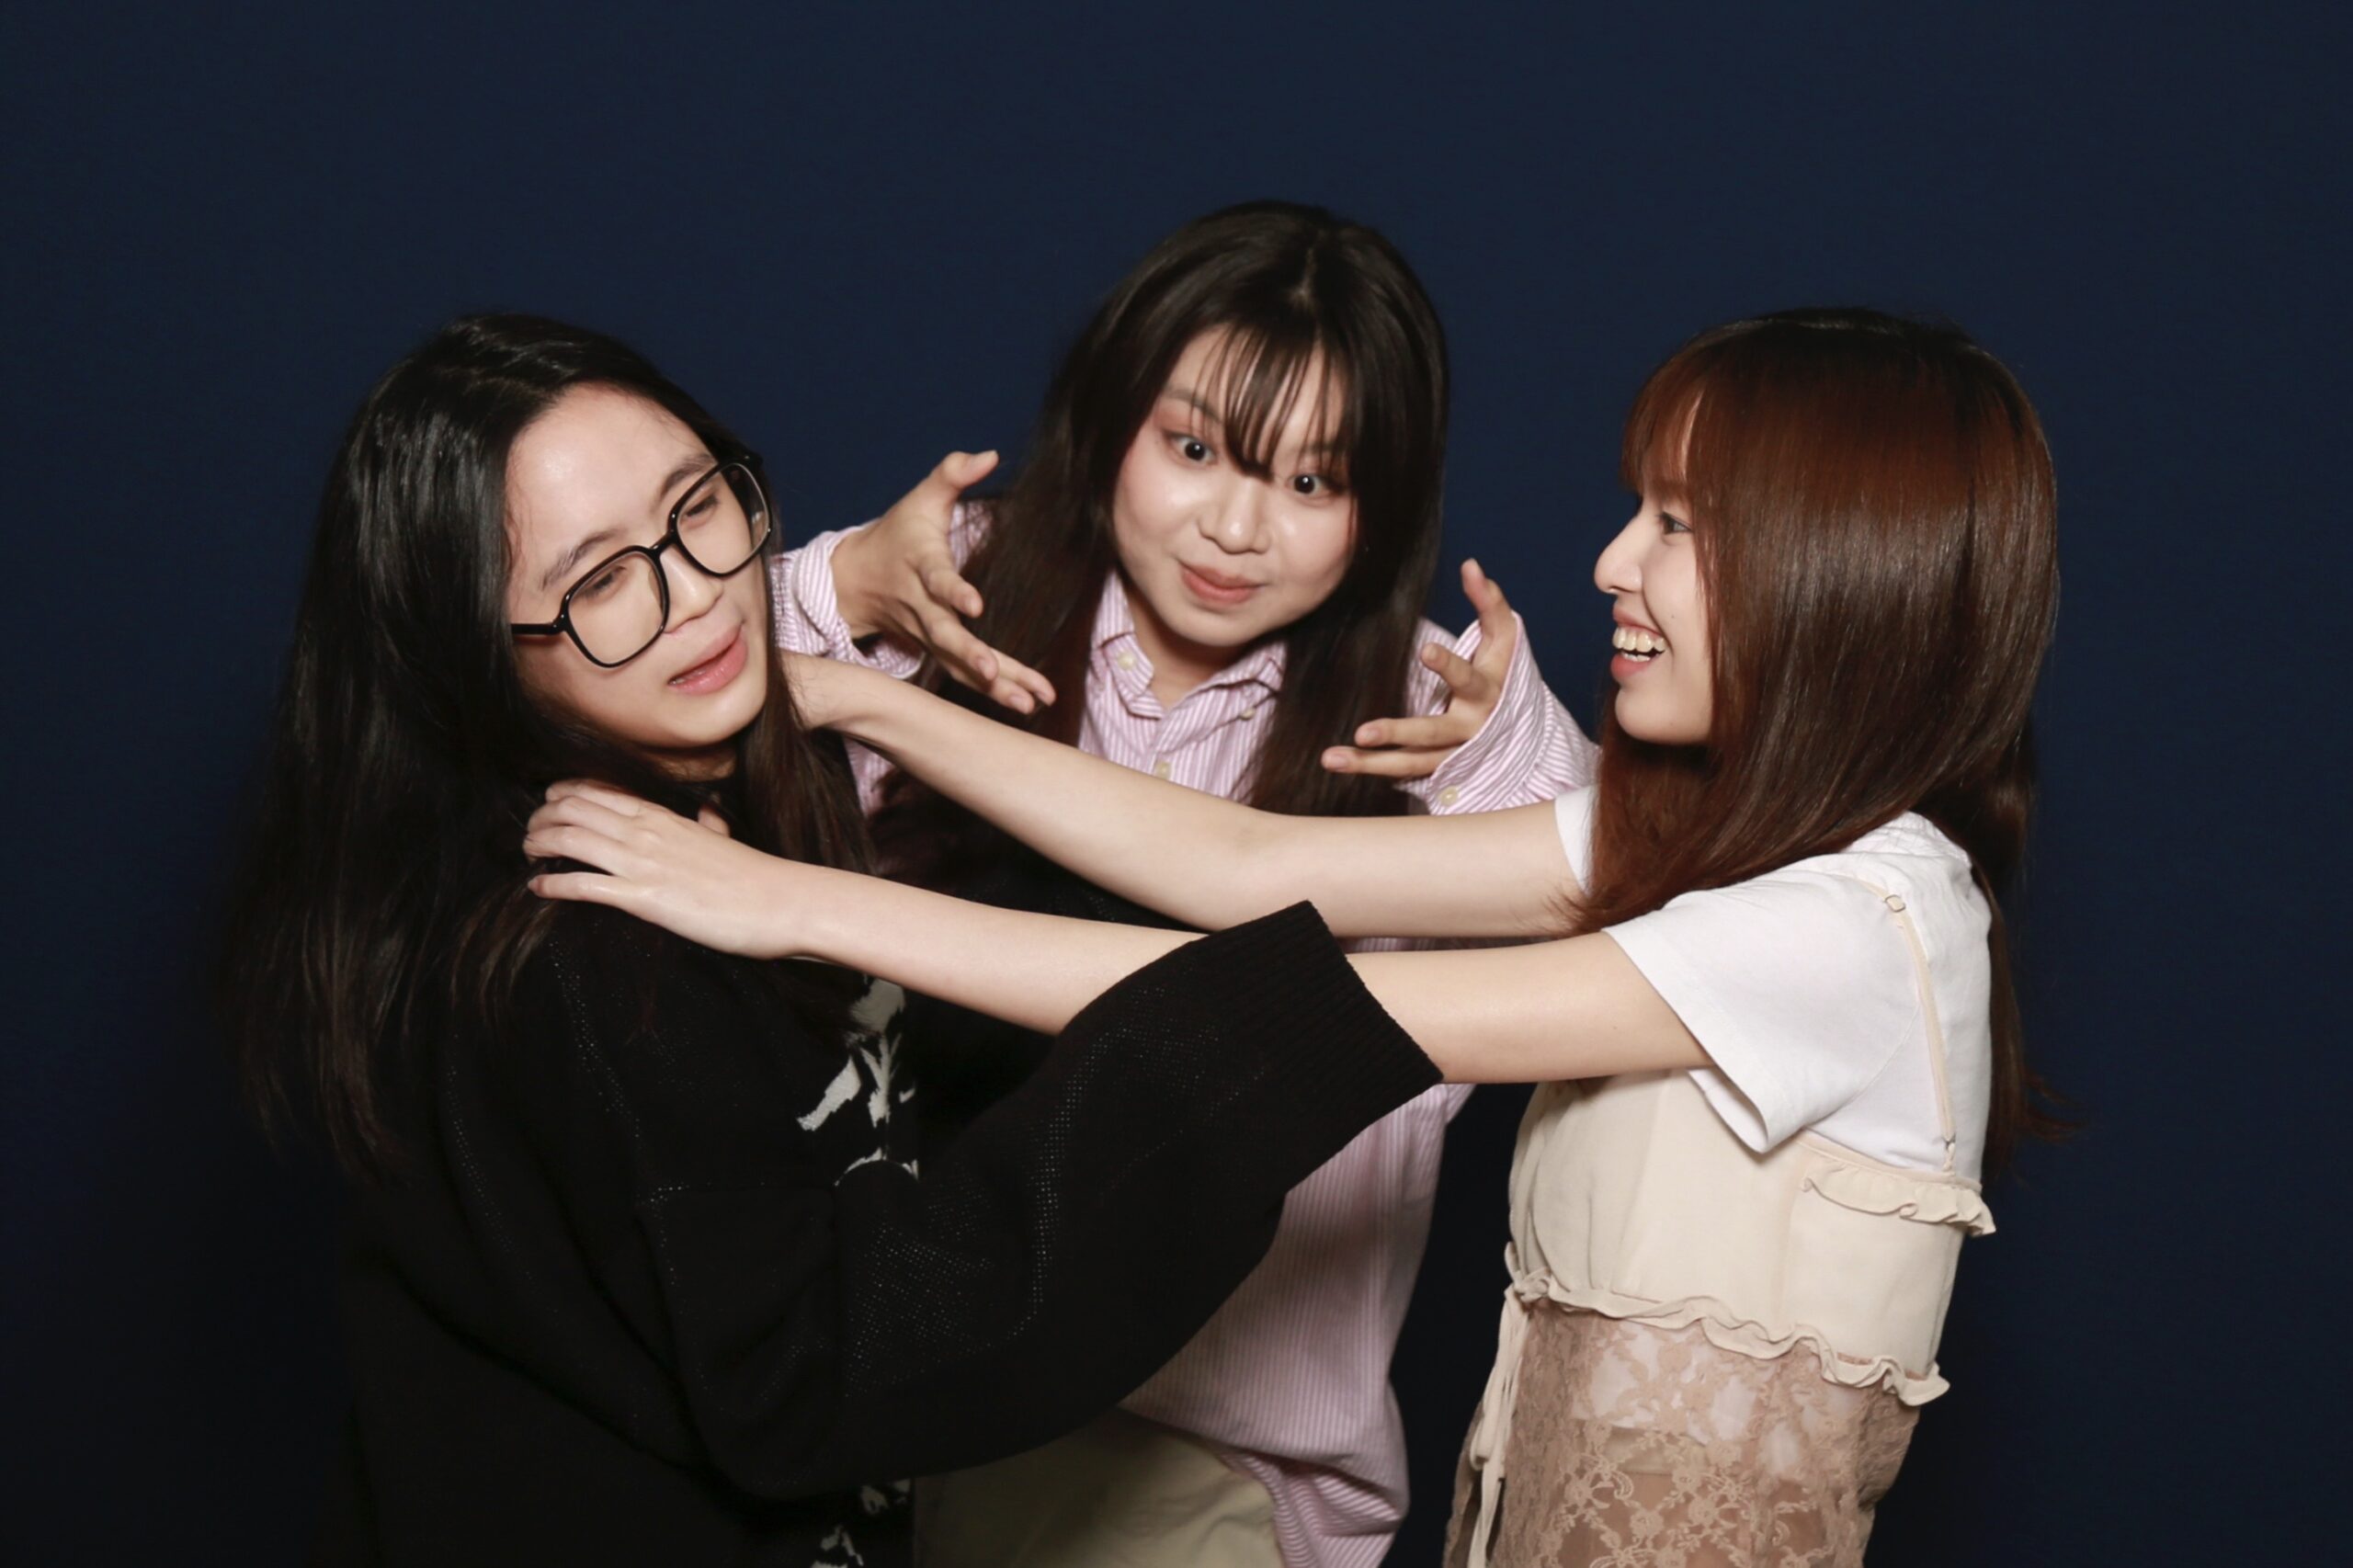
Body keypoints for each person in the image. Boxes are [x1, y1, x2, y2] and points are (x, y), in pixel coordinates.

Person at [528, 308, 2063, 1566]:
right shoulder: (1735, 844)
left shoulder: (1846, 925)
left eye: (1679, 524)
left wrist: (783, 899)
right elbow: (1245, 866)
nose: (1612, 562)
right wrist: (860, 699)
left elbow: (1261, 1011)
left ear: (1837, 571)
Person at [213, 313, 1453, 1568]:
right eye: (597, 583)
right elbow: (813, 1373)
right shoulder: (581, 938)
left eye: (698, 507)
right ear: (468, 648)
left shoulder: (717, 778)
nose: (695, 596)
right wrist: (1223, 1072)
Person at [766, 199, 1591, 1568]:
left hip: (1186, 1453)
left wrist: (1506, 744)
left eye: (1312, 483)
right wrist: (841, 586)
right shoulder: (961, 589)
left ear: (1382, 508)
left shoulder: (1425, 712)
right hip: (864, 1389)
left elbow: (1645, 896)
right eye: (1194, 448)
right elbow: (641, 693)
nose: (1235, 526)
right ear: (1110, 419)